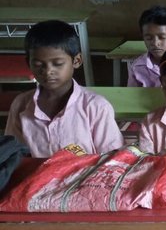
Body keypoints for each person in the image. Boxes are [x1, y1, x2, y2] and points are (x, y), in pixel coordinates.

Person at [5, 20, 123, 157]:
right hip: (36, 171)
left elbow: (112, 157)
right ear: (28, 63)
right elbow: (12, 154)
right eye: (38, 64)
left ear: (76, 61)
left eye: (58, 64)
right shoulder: (21, 105)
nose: (48, 71)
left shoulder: (96, 106)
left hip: (85, 171)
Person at [127, 5, 166, 87]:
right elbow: (130, 93)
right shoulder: (137, 67)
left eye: (162, 37)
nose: (155, 43)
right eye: (149, 38)